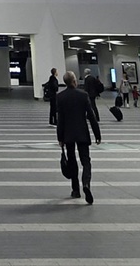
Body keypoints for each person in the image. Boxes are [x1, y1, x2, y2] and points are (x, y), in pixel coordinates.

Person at [54, 71, 101, 204]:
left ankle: (76, 190)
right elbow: (91, 116)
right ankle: (86, 183)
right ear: (74, 81)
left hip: (68, 135)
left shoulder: (60, 97)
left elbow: (60, 120)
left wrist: (60, 137)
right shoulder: (83, 95)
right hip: (82, 134)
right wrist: (97, 134)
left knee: (72, 160)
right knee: (86, 161)